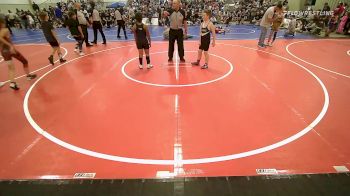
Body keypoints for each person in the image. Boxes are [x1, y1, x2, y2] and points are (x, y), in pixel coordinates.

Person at [0, 18, 37, 90]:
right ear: (1, 23)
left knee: (11, 68)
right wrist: (10, 46)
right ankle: (28, 75)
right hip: (10, 50)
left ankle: (12, 83)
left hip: (3, 52)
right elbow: (2, 38)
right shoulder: (5, 30)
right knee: (24, 61)